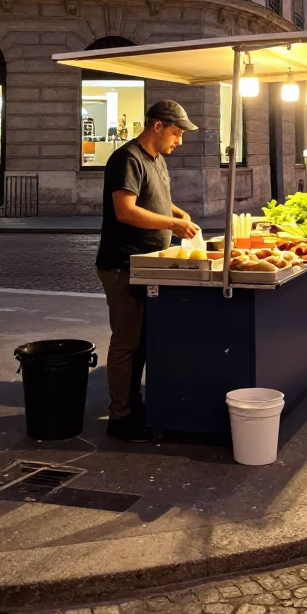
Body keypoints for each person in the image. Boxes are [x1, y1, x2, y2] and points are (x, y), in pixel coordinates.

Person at [96, 99, 200, 441]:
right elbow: (126, 210)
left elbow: (152, 197)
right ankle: (119, 417)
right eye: (176, 132)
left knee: (142, 341)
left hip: (148, 264)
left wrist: (176, 212)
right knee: (127, 341)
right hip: (123, 264)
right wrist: (171, 221)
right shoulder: (127, 158)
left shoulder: (155, 160)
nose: (179, 141)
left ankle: (133, 402)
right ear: (157, 126)